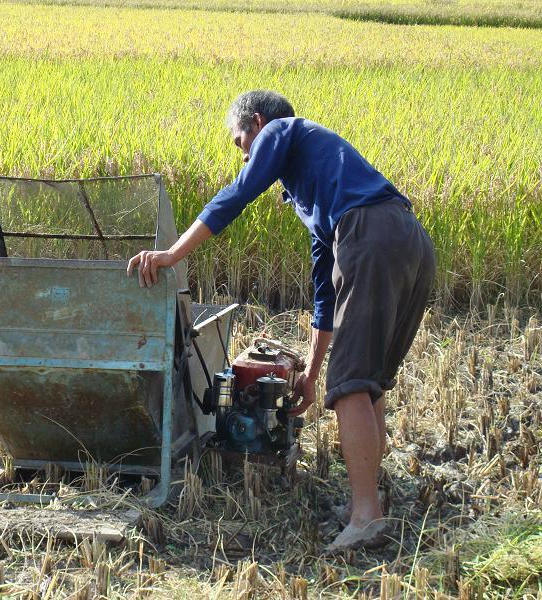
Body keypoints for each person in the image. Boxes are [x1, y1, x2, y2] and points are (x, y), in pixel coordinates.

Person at [127, 90, 436, 552]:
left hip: (371, 235)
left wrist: (172, 255)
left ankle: (367, 516)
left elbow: (238, 193)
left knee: (351, 382)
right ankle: (368, 503)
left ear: (256, 123)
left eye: (240, 143)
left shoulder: (280, 130)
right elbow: (323, 296)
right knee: (367, 381)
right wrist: (310, 375)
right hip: (410, 241)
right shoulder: (318, 188)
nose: (246, 155)